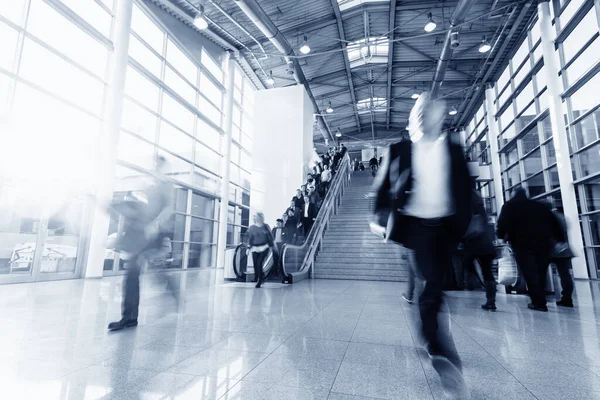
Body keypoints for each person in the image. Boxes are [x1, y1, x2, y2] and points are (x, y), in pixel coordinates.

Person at [372, 92, 472, 399]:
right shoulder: (400, 149)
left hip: (446, 227)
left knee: (435, 288)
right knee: (430, 287)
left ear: (440, 118)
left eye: (432, 112)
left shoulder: (452, 148)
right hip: (416, 227)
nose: (426, 116)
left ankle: (435, 341)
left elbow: (466, 188)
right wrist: (379, 218)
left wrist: (469, 223)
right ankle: (440, 352)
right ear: (413, 119)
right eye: (421, 112)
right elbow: (381, 189)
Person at [108, 155, 174, 331]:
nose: (155, 167)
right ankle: (129, 317)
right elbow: (142, 208)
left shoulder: (166, 185)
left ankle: (130, 317)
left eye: (158, 164)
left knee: (134, 272)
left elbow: (168, 208)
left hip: (154, 232)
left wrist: (155, 223)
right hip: (142, 233)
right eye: (153, 164)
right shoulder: (149, 186)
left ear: (163, 166)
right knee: (132, 274)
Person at [497, 188, 564, 312]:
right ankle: (540, 299)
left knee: (530, 272)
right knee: (541, 271)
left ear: (513, 194)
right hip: (544, 244)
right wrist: (559, 239)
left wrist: (502, 237)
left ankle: (538, 302)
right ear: (526, 194)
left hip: (522, 243)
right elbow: (554, 223)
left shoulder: (509, 206)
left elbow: (502, 223)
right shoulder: (539, 206)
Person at [462, 190, 497, 311]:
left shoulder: (466, 208)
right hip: (486, 246)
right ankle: (491, 301)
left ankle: (471, 282)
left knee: (467, 263)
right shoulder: (482, 210)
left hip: (474, 245)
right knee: (488, 273)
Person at [551, 207, 575, 307]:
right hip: (564, 249)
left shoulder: (550, 218)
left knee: (539, 273)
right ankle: (567, 298)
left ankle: (538, 298)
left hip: (553, 249)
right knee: (565, 275)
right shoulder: (562, 217)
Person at [247, 212, 274, 288]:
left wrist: (271, 246)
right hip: (255, 247)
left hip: (264, 247)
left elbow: (270, 236)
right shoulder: (252, 227)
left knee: (259, 263)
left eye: (258, 216)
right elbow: (250, 238)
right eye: (256, 216)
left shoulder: (266, 226)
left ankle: (260, 280)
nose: (256, 218)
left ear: (261, 218)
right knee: (255, 264)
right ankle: (258, 277)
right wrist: (248, 248)